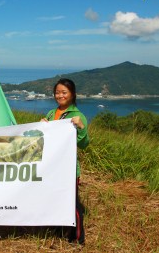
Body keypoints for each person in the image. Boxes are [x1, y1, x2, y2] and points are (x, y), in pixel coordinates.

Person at [41, 78, 89, 245]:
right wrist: (42, 127)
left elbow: (83, 144)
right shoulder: (51, 114)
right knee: (54, 198)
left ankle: (77, 238)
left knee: (72, 203)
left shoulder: (77, 115)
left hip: (68, 169)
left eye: (64, 92)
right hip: (52, 166)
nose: (59, 95)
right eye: (57, 92)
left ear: (72, 94)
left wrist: (81, 127)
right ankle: (57, 230)